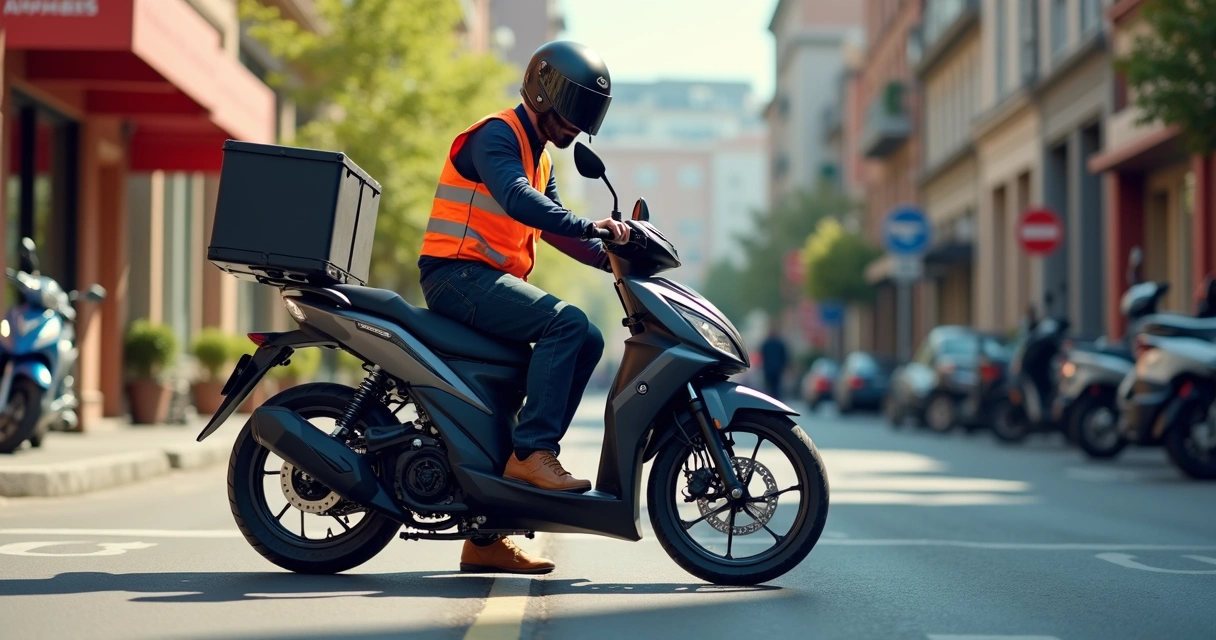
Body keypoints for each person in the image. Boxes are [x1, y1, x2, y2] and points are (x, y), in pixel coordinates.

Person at [416, 41, 628, 575]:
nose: (576, 125)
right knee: (567, 323)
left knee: (588, 339)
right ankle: (532, 453)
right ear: (541, 90)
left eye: (585, 117)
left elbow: (553, 225)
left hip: (486, 282)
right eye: (571, 110)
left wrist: (614, 258)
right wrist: (590, 225)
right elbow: (516, 198)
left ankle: (485, 539)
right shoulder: (496, 135)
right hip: (455, 275)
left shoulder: (541, 156)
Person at [759, 323, 788, 399]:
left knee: (769, 387)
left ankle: (770, 399)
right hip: (777, 369)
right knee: (776, 388)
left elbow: (762, 355)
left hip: (769, 369)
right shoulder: (780, 343)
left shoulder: (766, 343)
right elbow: (784, 357)